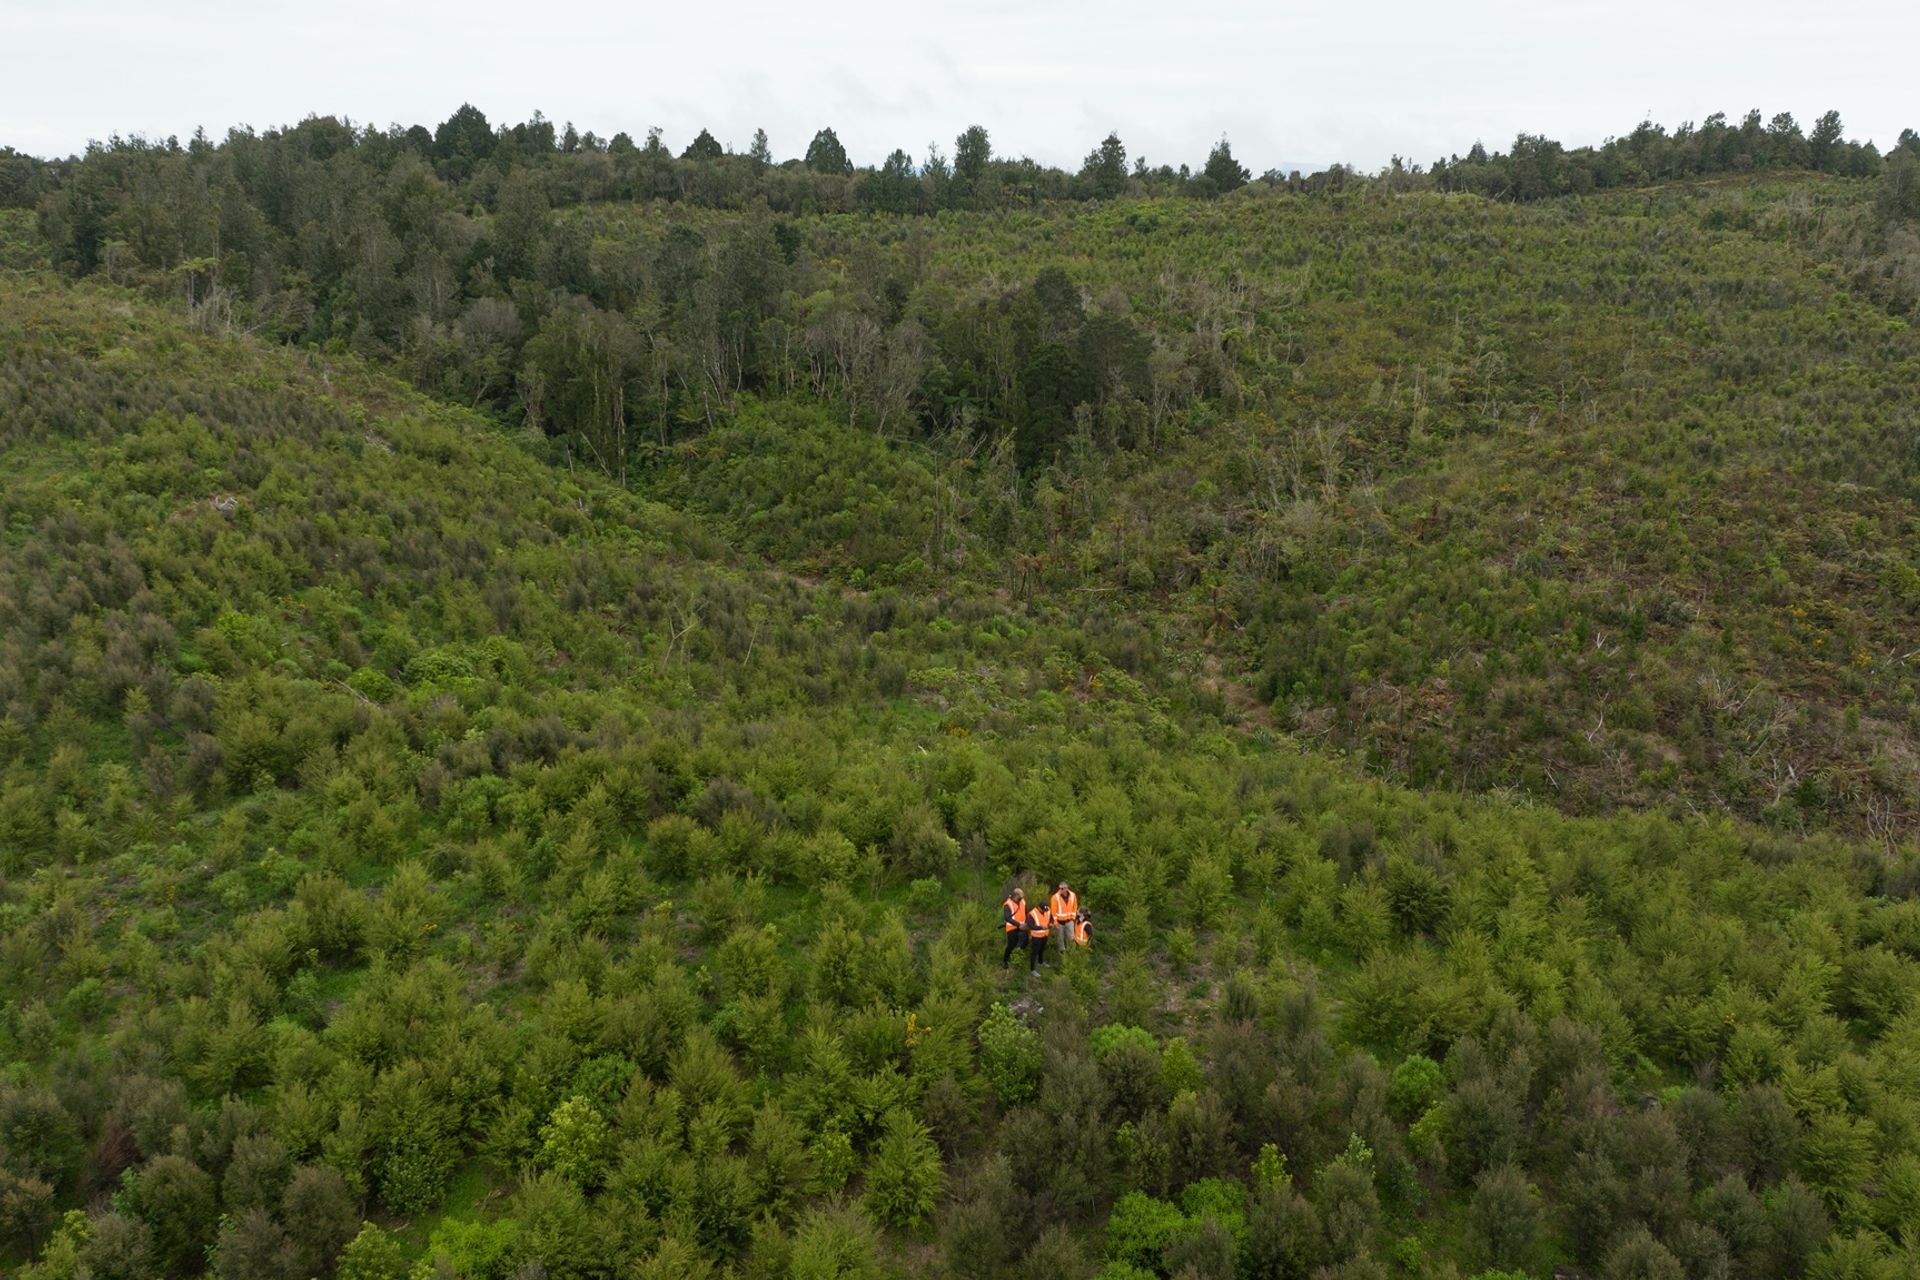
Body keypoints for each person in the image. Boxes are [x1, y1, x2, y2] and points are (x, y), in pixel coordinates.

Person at [1000, 888, 1027, 969]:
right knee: (1011, 945)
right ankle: (1005, 961)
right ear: (1016, 895)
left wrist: (1027, 923)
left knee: (1024, 942)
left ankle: (1016, 958)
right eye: (1021, 896)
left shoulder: (1023, 901)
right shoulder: (1008, 904)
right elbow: (1007, 918)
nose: (1023, 897)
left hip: (1022, 927)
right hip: (1012, 928)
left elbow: (1026, 912)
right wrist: (1019, 925)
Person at [1049, 882, 1079, 950]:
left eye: (1064, 888)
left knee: (1071, 937)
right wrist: (1055, 923)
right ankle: (1062, 952)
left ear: (1067, 888)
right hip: (1059, 923)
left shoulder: (1073, 895)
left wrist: (1073, 918)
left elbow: (1075, 907)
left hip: (1069, 921)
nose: (1062, 890)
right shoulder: (1055, 897)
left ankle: (1072, 951)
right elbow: (1053, 912)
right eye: (1061, 888)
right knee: (1060, 938)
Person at [1026, 898, 1052, 973]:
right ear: (1039, 907)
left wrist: (1051, 923)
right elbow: (1030, 926)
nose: (1045, 911)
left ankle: (1041, 962)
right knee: (1034, 952)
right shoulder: (1032, 913)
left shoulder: (1047, 910)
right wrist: (1041, 927)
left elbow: (1051, 918)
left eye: (1045, 910)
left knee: (1042, 950)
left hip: (1045, 935)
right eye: (1043, 910)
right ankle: (1032, 969)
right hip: (1036, 937)